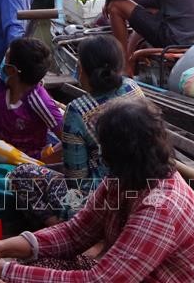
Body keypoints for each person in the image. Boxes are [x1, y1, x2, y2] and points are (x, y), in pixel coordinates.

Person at [0, 98, 194, 282]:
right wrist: (0, 247)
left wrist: (4, 270)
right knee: (37, 264)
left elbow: (101, 281)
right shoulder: (123, 182)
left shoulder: (160, 208)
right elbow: (75, 233)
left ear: (118, 155)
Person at [8, 35, 144, 225]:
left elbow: (76, 180)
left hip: (99, 203)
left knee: (21, 175)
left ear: (83, 70)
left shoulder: (77, 110)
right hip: (140, 188)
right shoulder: (133, 87)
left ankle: (59, 227)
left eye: (79, 66)